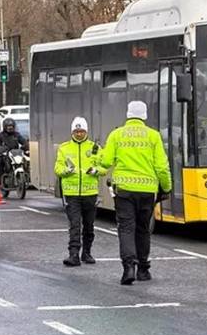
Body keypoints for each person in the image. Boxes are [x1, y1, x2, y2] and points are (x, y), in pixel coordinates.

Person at [100, 101, 173, 285]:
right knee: (143, 229)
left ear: (128, 114)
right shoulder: (153, 136)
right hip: (147, 191)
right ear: (145, 116)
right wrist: (166, 187)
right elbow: (162, 167)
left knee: (126, 228)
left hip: (124, 191)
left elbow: (106, 161)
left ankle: (128, 267)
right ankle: (143, 269)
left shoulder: (117, 134)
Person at [54, 117, 101, 267]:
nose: (79, 134)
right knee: (75, 224)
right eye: (76, 131)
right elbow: (57, 169)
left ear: (86, 131)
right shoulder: (64, 148)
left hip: (90, 193)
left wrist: (96, 170)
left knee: (89, 225)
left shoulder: (95, 148)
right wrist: (66, 171)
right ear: (72, 132)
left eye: (81, 131)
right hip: (72, 194)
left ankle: (87, 253)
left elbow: (105, 166)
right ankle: (73, 254)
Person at [0, 117, 28, 183]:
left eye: (11, 126)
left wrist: (25, 146)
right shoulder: (0, 135)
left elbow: (24, 141)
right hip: (4, 154)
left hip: (15, 153)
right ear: (5, 127)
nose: (10, 128)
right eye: (8, 126)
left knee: (27, 159)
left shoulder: (17, 135)